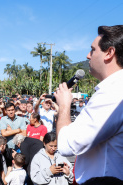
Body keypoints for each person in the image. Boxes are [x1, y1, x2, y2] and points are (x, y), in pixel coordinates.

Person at [54, 25, 123, 184]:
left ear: (109, 53)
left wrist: (64, 106)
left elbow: (67, 146)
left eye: (93, 50)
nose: (87, 55)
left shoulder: (113, 92)